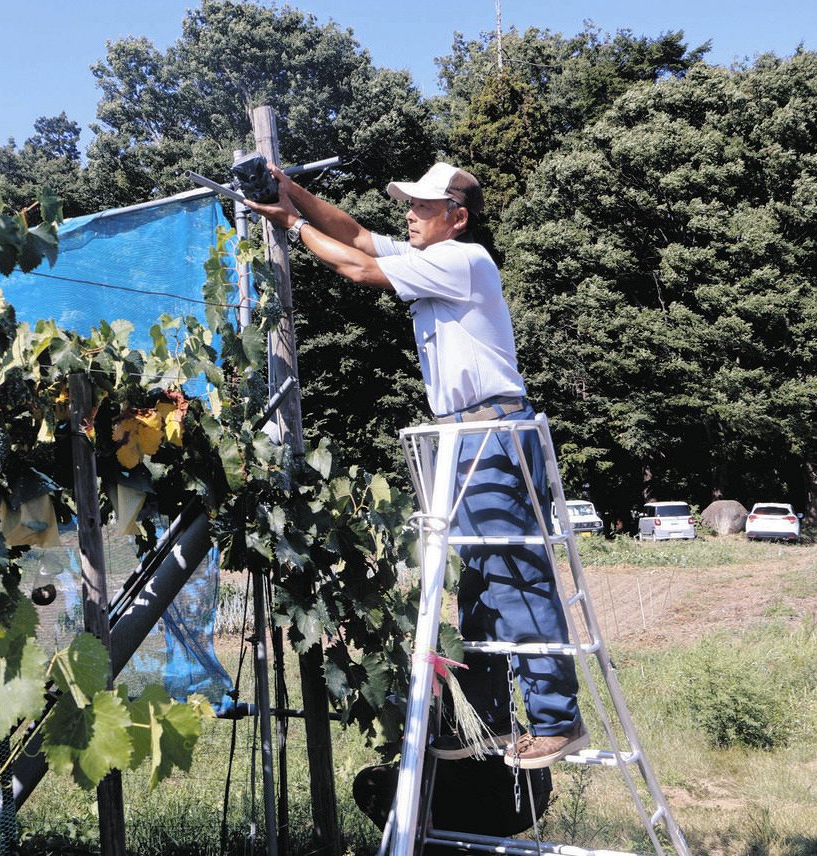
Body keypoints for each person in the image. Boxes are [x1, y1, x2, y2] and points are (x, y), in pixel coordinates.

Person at [245, 162, 587, 769]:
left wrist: (293, 224)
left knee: (514, 571)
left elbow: (358, 266)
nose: (410, 213)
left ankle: (557, 720)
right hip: (464, 438)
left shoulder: (464, 258)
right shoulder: (432, 256)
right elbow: (355, 235)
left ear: (455, 217)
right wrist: (291, 192)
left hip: (493, 432)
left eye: (423, 207)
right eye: (409, 204)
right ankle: (492, 720)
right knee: (478, 583)